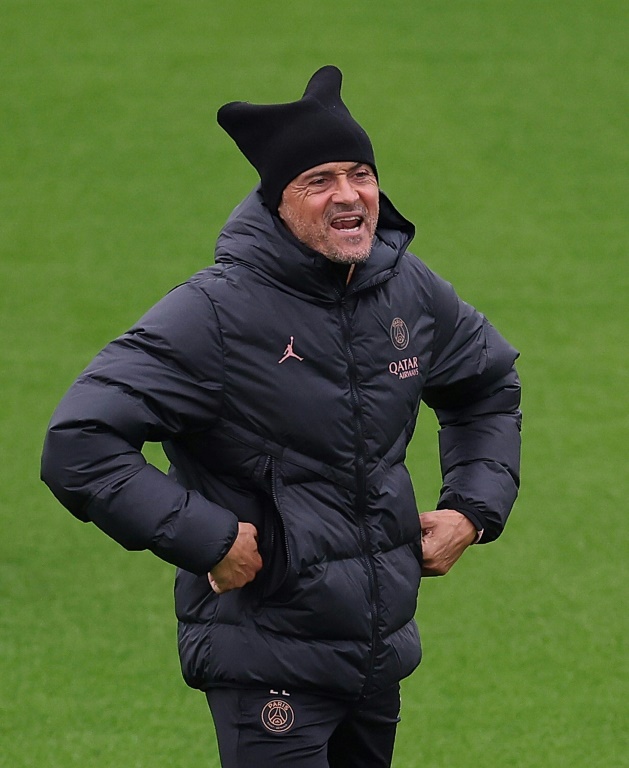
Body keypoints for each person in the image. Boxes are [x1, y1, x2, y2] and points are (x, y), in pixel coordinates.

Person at [41, 65, 521, 767]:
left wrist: (473, 509)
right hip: (263, 661)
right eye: (318, 181)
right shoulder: (215, 314)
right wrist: (205, 537)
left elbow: (485, 382)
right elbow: (78, 442)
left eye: (358, 173)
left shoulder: (405, 289)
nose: (349, 195)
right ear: (277, 202)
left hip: (374, 655)